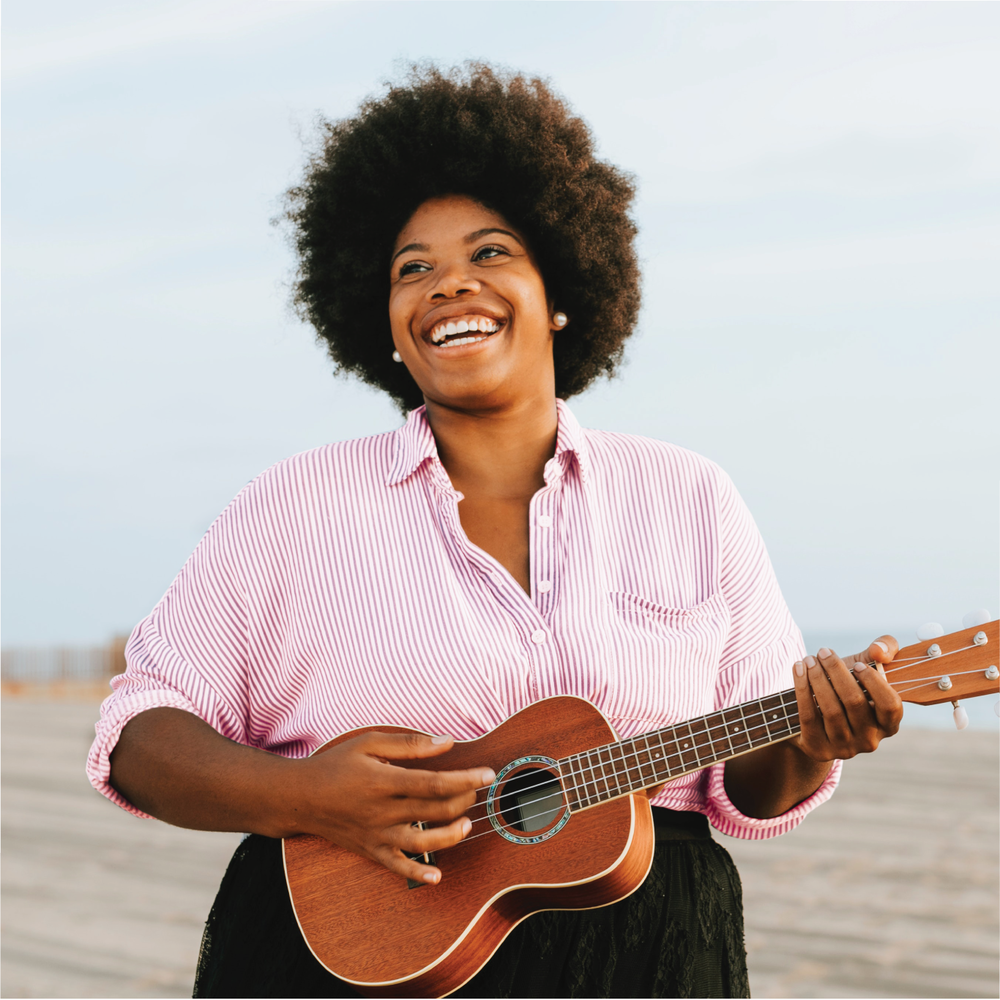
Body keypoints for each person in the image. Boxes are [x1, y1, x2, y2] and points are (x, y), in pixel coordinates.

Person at [87, 64, 903, 999]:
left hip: (647, 960)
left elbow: (749, 788)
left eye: (492, 253)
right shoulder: (293, 508)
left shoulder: (691, 498)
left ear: (561, 291)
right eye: (413, 269)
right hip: (355, 960)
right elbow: (138, 738)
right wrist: (306, 797)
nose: (449, 285)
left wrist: (813, 739)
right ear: (384, 325)